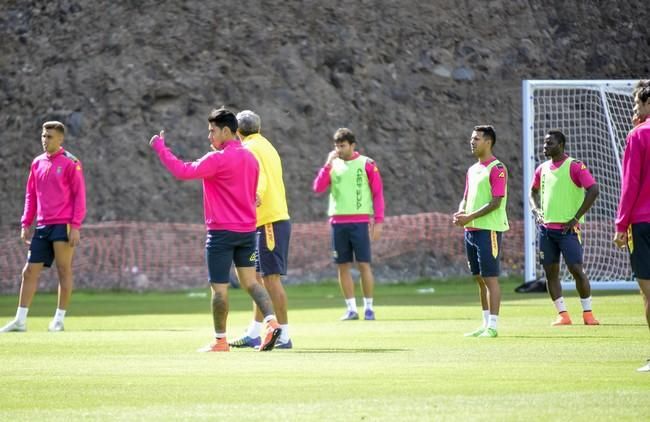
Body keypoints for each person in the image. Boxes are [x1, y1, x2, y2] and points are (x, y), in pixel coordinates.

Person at [149, 107, 281, 352]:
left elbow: (182, 170)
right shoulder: (250, 158)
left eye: (212, 131)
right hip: (247, 231)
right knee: (252, 283)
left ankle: (220, 341)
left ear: (227, 131)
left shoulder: (215, 160)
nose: (209, 136)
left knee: (219, 289)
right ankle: (272, 323)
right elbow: (250, 191)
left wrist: (160, 147)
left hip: (221, 233)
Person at [1, 121, 86, 333]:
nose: (44, 140)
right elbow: (30, 194)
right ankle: (20, 321)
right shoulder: (37, 162)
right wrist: (25, 222)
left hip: (63, 225)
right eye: (43, 135)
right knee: (29, 272)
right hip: (42, 226)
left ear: (60, 139)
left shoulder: (71, 162)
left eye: (49, 136)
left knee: (63, 270)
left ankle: (58, 319)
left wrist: (75, 226)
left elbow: (79, 196)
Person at [229, 110, 293, 349]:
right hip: (269, 220)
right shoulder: (267, 145)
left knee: (271, 279)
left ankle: (285, 336)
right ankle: (255, 332)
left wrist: (256, 194)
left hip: (269, 222)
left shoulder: (249, 149)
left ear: (237, 131)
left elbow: (262, 178)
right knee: (258, 279)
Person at [529, 130, 600, 326]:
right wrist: (536, 210)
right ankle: (563, 315)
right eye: (544, 143)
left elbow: (594, 189)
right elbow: (532, 192)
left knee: (576, 269)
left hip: (568, 230)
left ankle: (588, 314)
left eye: (549, 143)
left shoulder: (575, 166)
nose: (545, 146)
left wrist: (576, 217)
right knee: (550, 273)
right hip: (546, 230)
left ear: (560, 145)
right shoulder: (541, 168)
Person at [313, 128, 384, 321]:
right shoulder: (333, 164)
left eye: (343, 145)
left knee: (363, 264)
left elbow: (378, 194)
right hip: (338, 222)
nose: (339, 149)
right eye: (337, 146)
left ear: (352, 145)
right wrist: (327, 165)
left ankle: (369, 308)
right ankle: (351, 309)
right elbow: (317, 188)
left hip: (360, 222)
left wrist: (378, 221)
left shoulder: (366, 163)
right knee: (342, 266)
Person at [453, 125, 508, 338]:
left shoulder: (497, 168)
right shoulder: (472, 169)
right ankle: (484, 324)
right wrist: (460, 212)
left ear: (488, 141)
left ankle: (493, 326)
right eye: (471, 138)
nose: (472, 141)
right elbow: (466, 197)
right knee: (479, 278)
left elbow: (496, 202)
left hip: (489, 229)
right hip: (471, 230)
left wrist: (470, 216)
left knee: (490, 278)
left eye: (476, 138)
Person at [614, 81, 650, 372]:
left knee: (648, 292)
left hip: (643, 222)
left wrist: (620, 224)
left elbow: (631, 184)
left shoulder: (638, 135)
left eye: (637, 105)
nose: (635, 111)